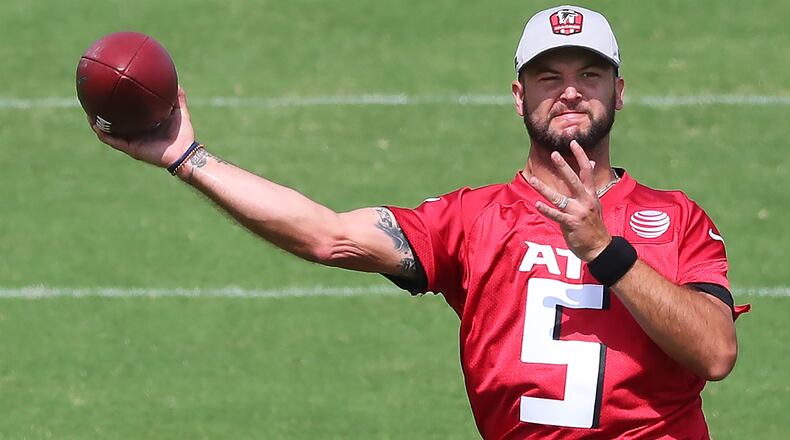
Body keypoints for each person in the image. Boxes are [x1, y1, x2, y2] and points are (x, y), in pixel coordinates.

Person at [91, 5, 748, 439]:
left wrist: (606, 250)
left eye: (590, 74)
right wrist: (186, 158)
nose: (570, 89)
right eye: (548, 76)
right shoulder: (471, 220)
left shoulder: (675, 218)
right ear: (519, 95)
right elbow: (328, 234)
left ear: (619, 91)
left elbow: (715, 352)